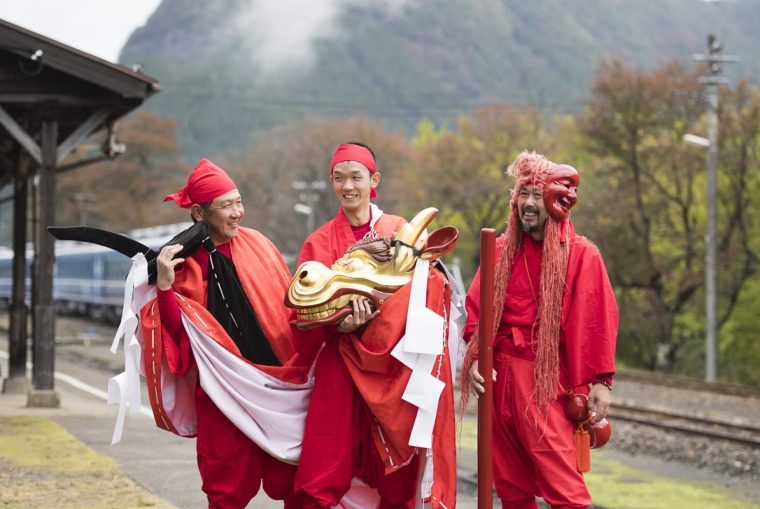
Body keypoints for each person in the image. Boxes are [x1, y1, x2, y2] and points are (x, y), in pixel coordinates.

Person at [460, 151, 618, 509]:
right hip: (499, 378)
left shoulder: (581, 254)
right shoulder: (498, 250)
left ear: (555, 201)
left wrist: (599, 381)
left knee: (564, 487)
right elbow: (475, 313)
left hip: (547, 383)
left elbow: (597, 321)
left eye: (536, 195)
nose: (528, 204)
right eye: (522, 195)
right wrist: (473, 359)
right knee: (510, 485)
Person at [293, 142, 443, 508]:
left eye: (356, 177)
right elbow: (300, 314)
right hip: (339, 365)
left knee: (396, 472)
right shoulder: (318, 242)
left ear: (373, 179)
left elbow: (430, 288)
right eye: (339, 178)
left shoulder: (399, 232)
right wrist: (337, 326)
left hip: (391, 367)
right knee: (320, 471)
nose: (348, 186)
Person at [151, 158, 305, 508]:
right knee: (226, 490)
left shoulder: (259, 244)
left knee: (296, 480)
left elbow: (288, 310)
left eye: (239, 202)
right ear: (199, 214)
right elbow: (181, 334)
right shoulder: (183, 261)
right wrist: (164, 288)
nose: (238, 213)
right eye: (226, 206)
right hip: (223, 392)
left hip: (278, 384)